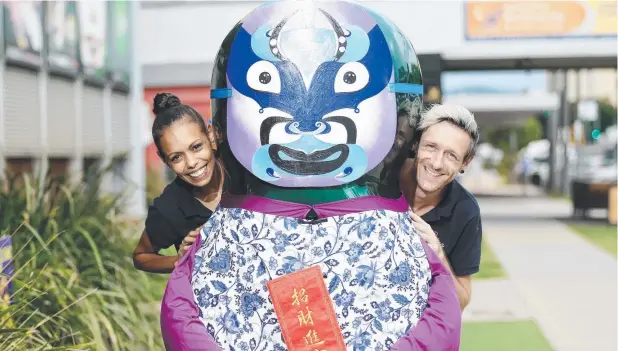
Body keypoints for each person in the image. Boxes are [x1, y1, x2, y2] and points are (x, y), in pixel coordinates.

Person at [400, 103, 482, 311]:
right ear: (415, 145)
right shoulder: (380, 179)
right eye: (431, 147)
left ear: (466, 163)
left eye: (451, 155)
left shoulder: (466, 211)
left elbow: (461, 301)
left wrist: (437, 253)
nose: (437, 163)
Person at [132, 92, 225, 274]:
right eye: (176, 157)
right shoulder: (170, 207)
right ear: (164, 160)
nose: (191, 163)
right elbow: (140, 257)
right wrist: (181, 260)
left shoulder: (244, 172)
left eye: (196, 147)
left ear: (211, 136)